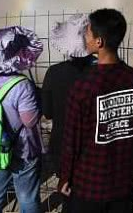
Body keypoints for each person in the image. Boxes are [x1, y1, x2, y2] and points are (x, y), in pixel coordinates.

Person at [59, 9, 133, 213]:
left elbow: (72, 140)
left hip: (88, 183)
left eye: (87, 32)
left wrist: (65, 176)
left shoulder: (83, 86)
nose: (84, 36)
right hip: (123, 179)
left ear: (99, 41)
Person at [0, 26, 44, 213]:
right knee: (26, 196)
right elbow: (29, 121)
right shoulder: (22, 85)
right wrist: (39, 102)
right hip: (22, 148)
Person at [42, 15, 95, 172]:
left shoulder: (54, 72)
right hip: (95, 146)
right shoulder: (103, 73)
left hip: (62, 143)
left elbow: (48, 113)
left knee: (66, 183)